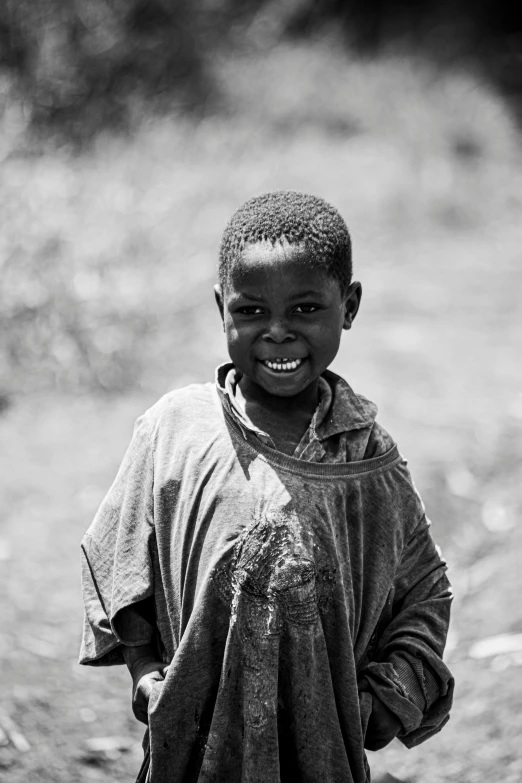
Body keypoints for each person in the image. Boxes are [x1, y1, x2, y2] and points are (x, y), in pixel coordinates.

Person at [79, 191, 454, 783]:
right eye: (251, 312)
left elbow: (425, 586)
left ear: (349, 306)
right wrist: (144, 669)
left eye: (305, 309)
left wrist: (388, 695)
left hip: (323, 747)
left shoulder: (365, 453)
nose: (277, 333)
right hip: (194, 746)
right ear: (220, 308)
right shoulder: (176, 428)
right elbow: (117, 557)